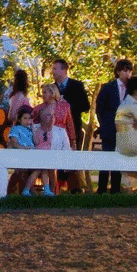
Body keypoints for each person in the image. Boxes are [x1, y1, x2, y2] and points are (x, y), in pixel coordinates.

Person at [51, 58, 91, 191]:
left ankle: (75, 189)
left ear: (64, 69)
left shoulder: (77, 85)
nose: (53, 72)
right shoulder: (52, 88)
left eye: (56, 68)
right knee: (57, 158)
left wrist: (68, 106)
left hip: (73, 128)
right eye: (53, 69)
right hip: (56, 130)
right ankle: (56, 188)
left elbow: (86, 106)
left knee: (72, 157)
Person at [94, 60, 133, 193]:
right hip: (109, 128)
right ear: (117, 72)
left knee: (119, 157)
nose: (126, 73)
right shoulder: (108, 87)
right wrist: (103, 125)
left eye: (129, 70)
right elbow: (99, 108)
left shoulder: (132, 89)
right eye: (124, 70)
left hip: (125, 129)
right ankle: (102, 187)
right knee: (107, 157)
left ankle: (115, 188)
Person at [3, 104, 42, 196]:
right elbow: (13, 142)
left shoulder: (32, 130)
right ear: (19, 119)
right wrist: (22, 148)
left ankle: (27, 191)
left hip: (31, 156)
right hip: (19, 155)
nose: (28, 121)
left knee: (38, 169)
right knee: (21, 171)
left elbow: (36, 142)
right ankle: (29, 193)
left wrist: (33, 128)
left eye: (30, 118)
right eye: (25, 118)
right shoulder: (16, 129)